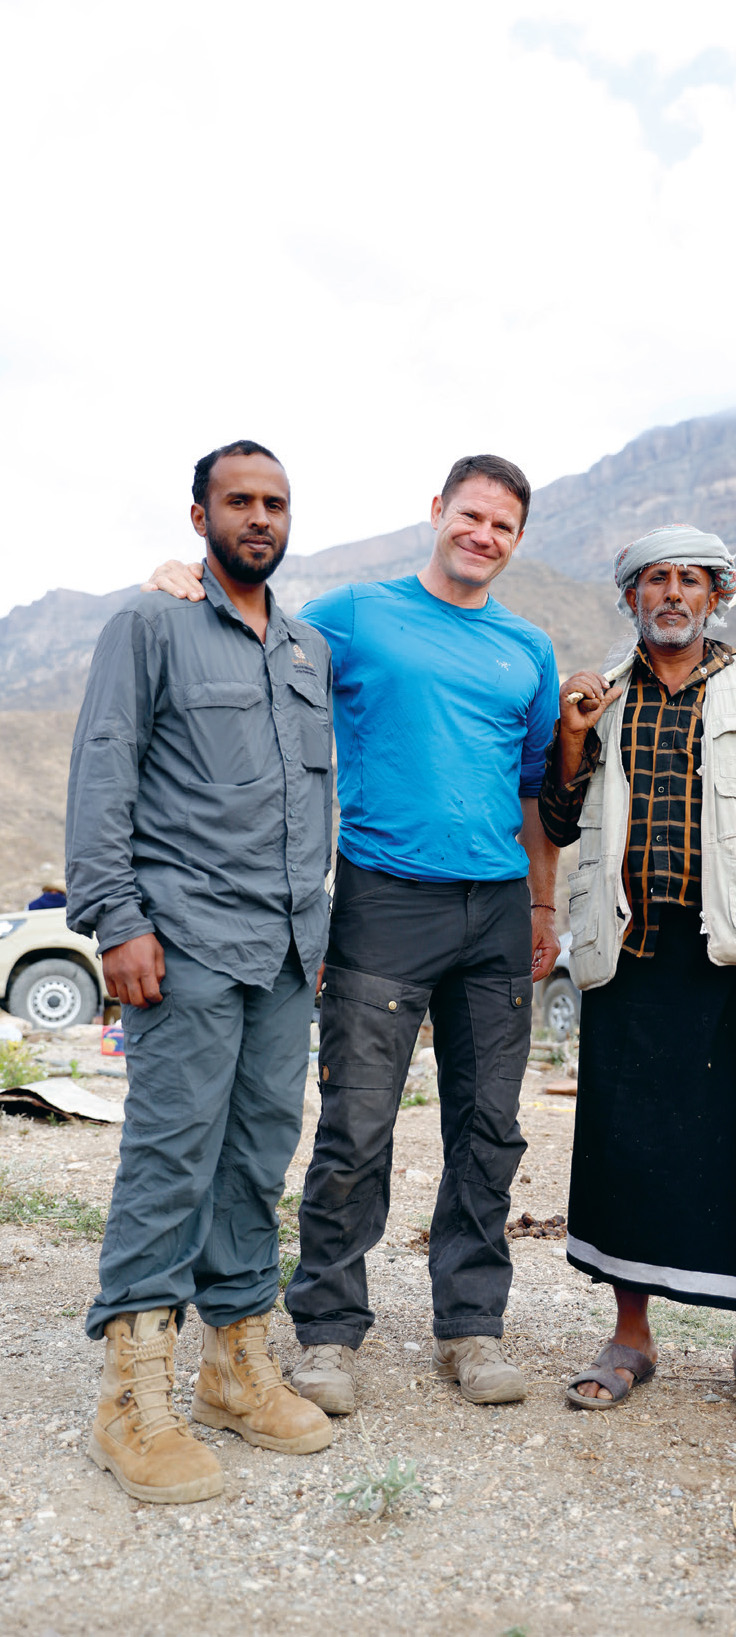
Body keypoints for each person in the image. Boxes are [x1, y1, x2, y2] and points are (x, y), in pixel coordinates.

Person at [143, 454, 562, 1414]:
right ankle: (329, 1332)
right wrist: (181, 579)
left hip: (495, 907)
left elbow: (536, 786)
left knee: (488, 1128)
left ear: (517, 539)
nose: (482, 536)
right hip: (383, 900)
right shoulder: (360, 616)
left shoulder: (526, 649)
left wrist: (542, 906)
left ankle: (471, 1327)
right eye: (470, 516)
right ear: (437, 513)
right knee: (357, 1125)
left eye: (502, 525)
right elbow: (249, 634)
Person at [66, 440, 335, 1504]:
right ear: (198, 516)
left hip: (285, 951)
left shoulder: (307, 648)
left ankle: (233, 1361)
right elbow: (103, 767)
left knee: (257, 1155)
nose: (258, 517)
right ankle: (129, 1396)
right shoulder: (149, 625)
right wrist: (114, 916)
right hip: (181, 943)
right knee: (171, 1155)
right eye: (238, 501)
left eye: (274, 502)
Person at [537, 524, 736, 1420]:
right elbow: (559, 825)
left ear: (716, 597)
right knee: (627, 1141)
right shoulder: (602, 696)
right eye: (654, 580)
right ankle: (630, 1335)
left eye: (690, 580)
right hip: (633, 954)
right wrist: (571, 739)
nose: (672, 593)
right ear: (629, 597)